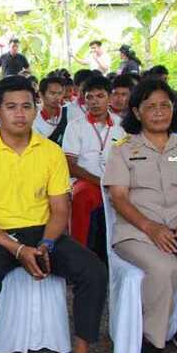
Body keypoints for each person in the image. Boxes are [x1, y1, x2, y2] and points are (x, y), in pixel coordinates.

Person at [0, 76, 107, 353]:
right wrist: (16, 249)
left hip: (42, 231)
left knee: (93, 270)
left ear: (35, 109)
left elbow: (60, 210)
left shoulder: (50, 151)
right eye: (11, 107)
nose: (20, 114)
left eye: (26, 106)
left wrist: (46, 244)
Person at [104, 79, 177, 353]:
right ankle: (152, 338)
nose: (159, 112)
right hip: (137, 231)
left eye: (164, 105)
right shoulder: (123, 149)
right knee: (164, 268)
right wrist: (150, 227)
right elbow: (118, 197)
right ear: (137, 112)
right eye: (150, 106)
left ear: (173, 109)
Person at [62, 76, 126, 246]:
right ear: (84, 100)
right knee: (81, 196)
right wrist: (101, 182)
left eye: (100, 96)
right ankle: (79, 248)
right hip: (86, 181)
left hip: (117, 181)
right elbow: (70, 165)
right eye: (90, 97)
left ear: (109, 98)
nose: (95, 102)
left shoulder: (121, 125)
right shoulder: (75, 126)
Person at [33, 76, 69, 144]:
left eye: (60, 93)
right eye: (52, 93)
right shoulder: (33, 118)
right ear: (41, 95)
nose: (57, 97)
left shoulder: (68, 113)